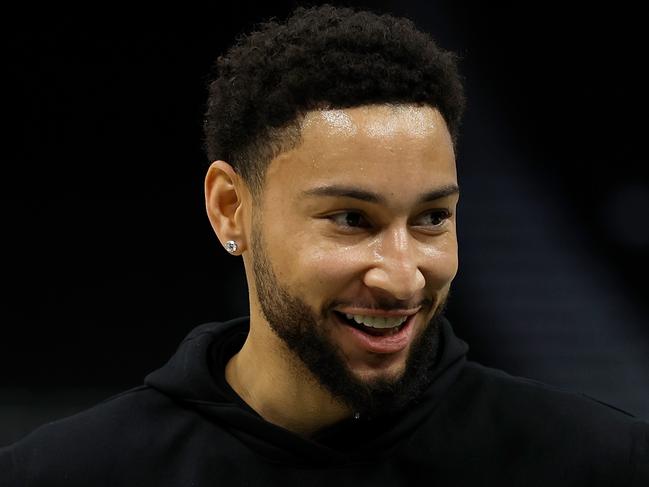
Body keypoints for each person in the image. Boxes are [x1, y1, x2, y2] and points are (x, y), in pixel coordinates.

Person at [1, 5, 647, 486]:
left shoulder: (599, 461)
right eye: (349, 218)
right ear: (231, 209)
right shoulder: (59, 473)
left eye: (430, 218)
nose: (402, 278)